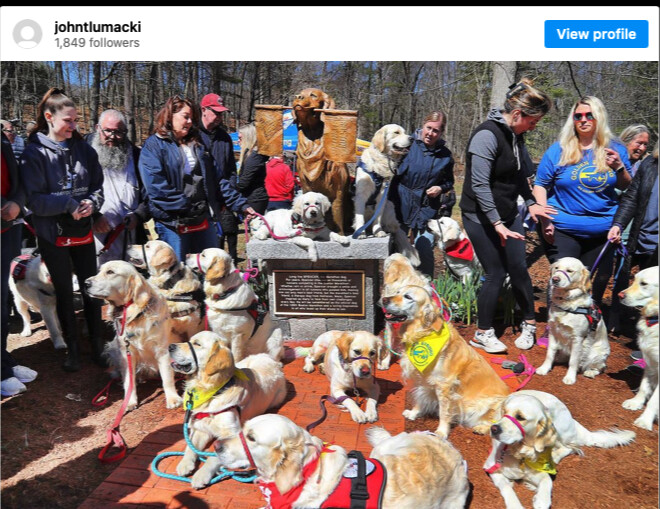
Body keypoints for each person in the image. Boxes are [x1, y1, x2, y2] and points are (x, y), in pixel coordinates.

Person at [460, 79, 555, 353]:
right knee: (496, 272)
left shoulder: (516, 136)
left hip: (508, 212)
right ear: (517, 114)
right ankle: (482, 333)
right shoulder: (486, 135)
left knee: (518, 267)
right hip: (479, 216)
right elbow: (479, 185)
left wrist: (531, 202)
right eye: (532, 121)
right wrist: (497, 224)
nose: (533, 127)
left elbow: (518, 176)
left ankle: (529, 323)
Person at [20, 87, 105, 372]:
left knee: (91, 288)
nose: (73, 126)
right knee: (64, 295)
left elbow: (97, 187)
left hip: (82, 233)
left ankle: (98, 346)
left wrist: (92, 203)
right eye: (68, 120)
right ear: (49, 117)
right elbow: (33, 200)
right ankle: (73, 350)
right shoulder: (34, 153)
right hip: (52, 236)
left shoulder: (84, 150)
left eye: (75, 120)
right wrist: (68, 204)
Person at [533, 96, 632, 308]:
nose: (583, 120)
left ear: (599, 117)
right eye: (578, 116)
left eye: (589, 115)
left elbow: (627, 185)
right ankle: (554, 323)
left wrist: (619, 167)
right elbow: (540, 184)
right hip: (563, 228)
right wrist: (544, 218)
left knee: (585, 283)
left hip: (602, 231)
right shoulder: (559, 149)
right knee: (562, 281)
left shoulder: (616, 149)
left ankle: (582, 321)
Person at [139, 95, 253, 261]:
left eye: (192, 118)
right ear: (170, 115)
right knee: (178, 271)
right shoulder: (154, 145)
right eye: (186, 117)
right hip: (173, 223)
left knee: (210, 268)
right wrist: (185, 206)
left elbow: (217, 180)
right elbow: (156, 186)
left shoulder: (198, 145)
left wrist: (241, 204)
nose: (190, 122)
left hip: (202, 219)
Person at [391, 110, 455, 278]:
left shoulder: (445, 155)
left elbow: (449, 182)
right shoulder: (406, 145)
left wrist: (440, 188)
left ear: (441, 133)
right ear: (423, 125)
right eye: (428, 128)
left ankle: (427, 286)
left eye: (436, 131)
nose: (430, 133)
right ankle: (396, 286)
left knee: (424, 248)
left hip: (427, 207)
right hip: (401, 203)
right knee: (397, 250)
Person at [1, 131, 38, 396]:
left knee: (3, 301)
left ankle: (4, 359)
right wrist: (5, 204)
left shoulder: (3, 140)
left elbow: (17, 179)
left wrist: (17, 203)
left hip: (8, 228)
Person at [607, 143, 658, 333]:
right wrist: (618, 224)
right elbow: (631, 198)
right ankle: (618, 318)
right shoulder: (650, 164)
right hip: (640, 237)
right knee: (626, 279)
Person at [88, 109, 149, 264]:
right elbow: (76, 192)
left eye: (118, 132)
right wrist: (94, 216)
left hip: (129, 237)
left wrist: (138, 215)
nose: (112, 136)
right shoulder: (84, 153)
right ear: (97, 128)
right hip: (94, 235)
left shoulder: (137, 156)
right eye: (107, 131)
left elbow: (149, 194)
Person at [198, 93, 241, 264]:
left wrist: (230, 191)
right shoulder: (193, 134)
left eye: (221, 113)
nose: (219, 117)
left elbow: (231, 170)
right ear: (204, 110)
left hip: (221, 201)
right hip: (199, 202)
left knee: (219, 245)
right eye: (216, 112)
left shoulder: (225, 138)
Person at [236, 123, 269, 215]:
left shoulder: (255, 156)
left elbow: (245, 180)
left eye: (240, 138)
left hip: (255, 199)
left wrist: (232, 191)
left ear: (248, 137)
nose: (238, 141)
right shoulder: (250, 155)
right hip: (252, 197)